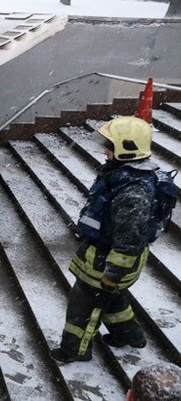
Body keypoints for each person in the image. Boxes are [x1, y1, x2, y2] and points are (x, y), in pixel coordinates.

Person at [51, 116, 159, 363]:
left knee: (83, 306)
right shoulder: (125, 175)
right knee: (112, 299)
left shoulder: (132, 192)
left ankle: (74, 350)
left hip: (108, 261)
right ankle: (131, 336)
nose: (105, 151)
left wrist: (113, 275)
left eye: (110, 146)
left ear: (127, 150)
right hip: (102, 255)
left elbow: (128, 243)